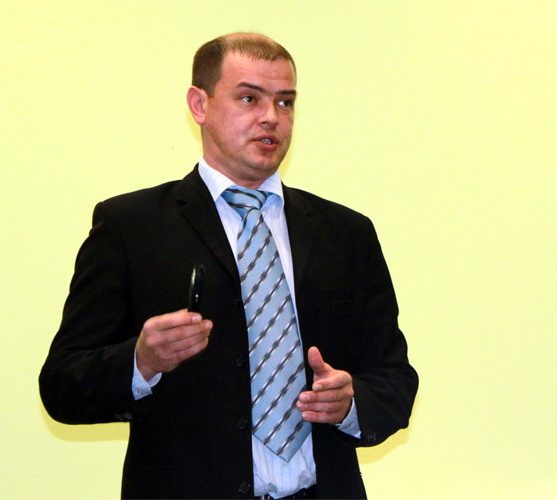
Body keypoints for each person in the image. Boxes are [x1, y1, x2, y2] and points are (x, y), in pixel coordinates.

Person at [39, 32, 418, 499]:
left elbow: (395, 380)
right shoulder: (130, 227)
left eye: (285, 102)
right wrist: (141, 361)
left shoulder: (345, 233)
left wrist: (351, 402)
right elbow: (62, 385)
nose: (271, 117)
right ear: (199, 105)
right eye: (249, 98)